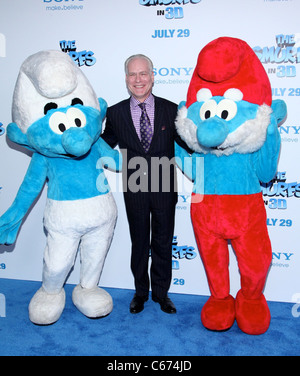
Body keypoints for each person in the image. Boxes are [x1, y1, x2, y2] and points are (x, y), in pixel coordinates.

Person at [101, 54, 190, 314]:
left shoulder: (172, 110)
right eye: (132, 74)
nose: (138, 79)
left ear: (152, 76)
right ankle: (140, 292)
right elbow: (105, 144)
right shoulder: (115, 112)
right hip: (134, 186)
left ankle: (161, 294)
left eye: (143, 74)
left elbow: (188, 143)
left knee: (162, 240)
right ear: (126, 79)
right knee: (139, 241)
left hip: (164, 184)